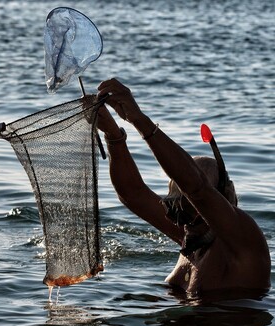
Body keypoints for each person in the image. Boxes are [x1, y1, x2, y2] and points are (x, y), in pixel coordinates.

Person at [94, 78, 270, 296]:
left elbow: (196, 188)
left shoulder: (243, 241)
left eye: (190, 210)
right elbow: (133, 194)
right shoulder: (192, 237)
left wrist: (139, 120)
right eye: (175, 210)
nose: (182, 222)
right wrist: (113, 136)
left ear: (221, 200)